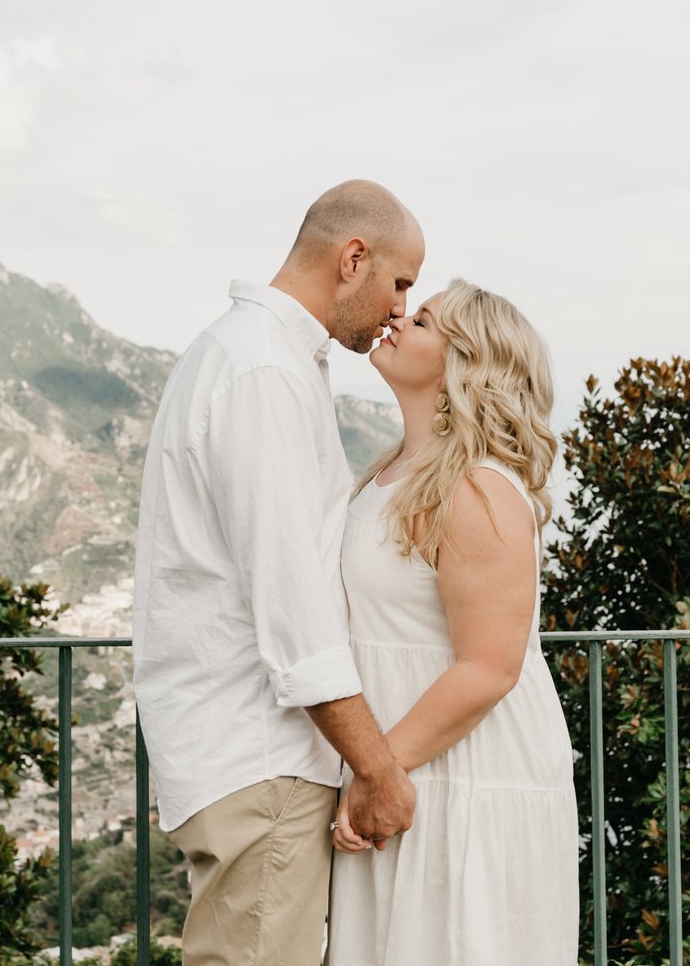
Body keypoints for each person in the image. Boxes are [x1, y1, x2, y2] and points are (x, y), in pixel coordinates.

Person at [134, 180, 425, 966]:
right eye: (401, 283)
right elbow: (294, 608)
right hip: (261, 759)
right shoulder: (263, 371)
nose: (402, 308)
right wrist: (378, 769)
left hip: (247, 756)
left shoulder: (249, 355)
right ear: (353, 258)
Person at [326, 280, 578, 965]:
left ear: (464, 362)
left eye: (425, 319)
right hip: (404, 767)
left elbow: (489, 667)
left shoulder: (476, 486)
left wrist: (377, 773)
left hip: (466, 774)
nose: (400, 318)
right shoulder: (389, 473)